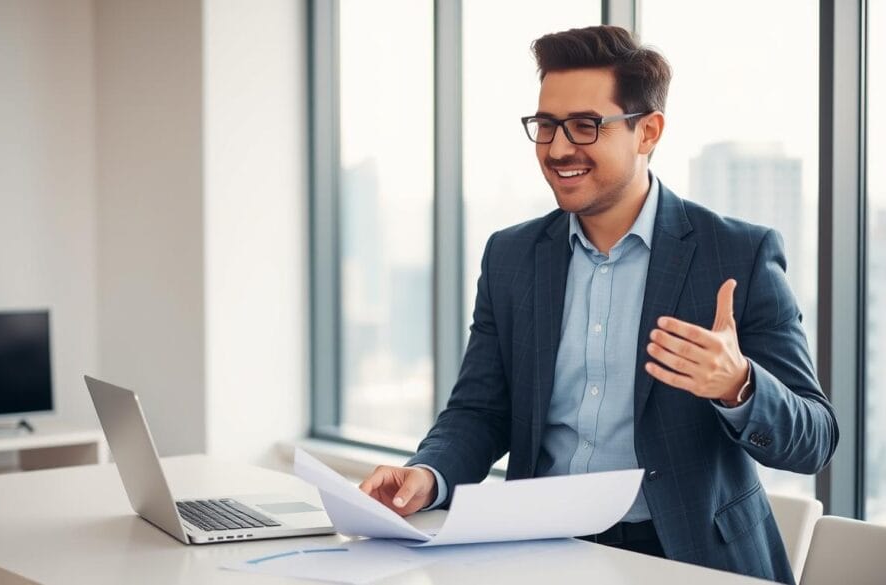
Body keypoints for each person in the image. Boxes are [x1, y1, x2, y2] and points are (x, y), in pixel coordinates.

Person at [358, 25, 838, 585]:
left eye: (586, 125)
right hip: (540, 551)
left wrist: (739, 385)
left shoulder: (737, 253)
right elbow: (479, 411)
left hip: (689, 554)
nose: (559, 148)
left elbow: (815, 441)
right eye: (546, 125)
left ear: (647, 132)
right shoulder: (512, 255)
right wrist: (430, 474)